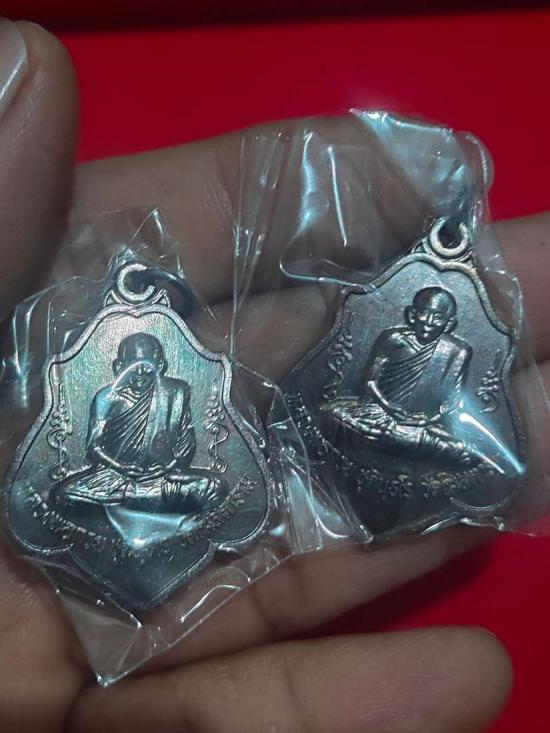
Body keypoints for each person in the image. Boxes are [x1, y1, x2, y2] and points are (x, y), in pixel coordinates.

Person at [5, 20, 548, 732]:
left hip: (231, 470)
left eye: (433, 319)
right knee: (78, 487)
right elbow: (102, 451)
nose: (421, 326)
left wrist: (165, 472)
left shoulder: (183, 390)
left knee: (205, 486)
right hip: (121, 483)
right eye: (134, 360)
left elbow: (430, 406)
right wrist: (126, 470)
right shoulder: (105, 390)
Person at [51, 332, 228, 514]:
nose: (140, 372)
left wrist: (167, 467)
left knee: (214, 487)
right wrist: (120, 467)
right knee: (63, 495)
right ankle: (146, 502)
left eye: (146, 365)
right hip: (115, 478)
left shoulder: (175, 393)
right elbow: (94, 447)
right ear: (119, 367)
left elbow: (186, 445)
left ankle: (130, 502)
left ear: (159, 366)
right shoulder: (106, 398)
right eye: (132, 365)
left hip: (162, 478)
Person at [324, 287, 475, 464]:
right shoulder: (393, 339)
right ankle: (409, 444)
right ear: (412, 315)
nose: (428, 322)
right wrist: (388, 407)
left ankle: (393, 440)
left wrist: (427, 420)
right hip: (380, 412)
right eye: (424, 313)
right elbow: (370, 382)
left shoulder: (457, 351)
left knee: (469, 451)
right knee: (331, 413)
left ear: (449, 324)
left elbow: (453, 403)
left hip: (424, 424)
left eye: (438, 317)